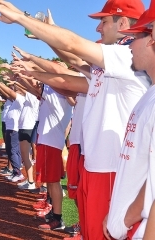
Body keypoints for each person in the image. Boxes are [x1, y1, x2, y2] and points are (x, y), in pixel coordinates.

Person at [0, 0, 150, 238]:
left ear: (122, 22)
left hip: (111, 167)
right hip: (97, 163)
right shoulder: (114, 64)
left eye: (104, 21)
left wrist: (21, 17)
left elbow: (72, 46)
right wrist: (33, 65)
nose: (98, 28)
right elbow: (72, 67)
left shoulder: (125, 56)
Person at [104, 7, 155, 240]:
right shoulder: (149, 94)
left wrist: (124, 219)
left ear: (152, 38)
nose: (130, 46)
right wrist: (116, 214)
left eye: (135, 38)